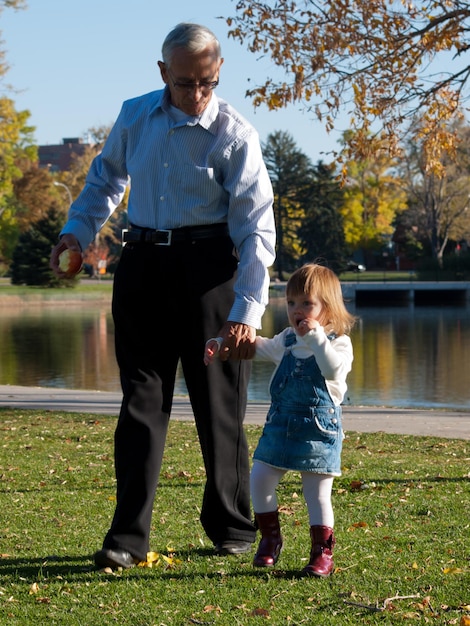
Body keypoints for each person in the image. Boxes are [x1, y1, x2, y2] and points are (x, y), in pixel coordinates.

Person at [50, 22, 276, 569]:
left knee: (219, 405)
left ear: (217, 74)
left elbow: (256, 229)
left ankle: (232, 526)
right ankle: (127, 538)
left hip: (211, 273)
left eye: (206, 82)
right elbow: (103, 181)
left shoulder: (235, 134)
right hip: (143, 266)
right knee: (140, 406)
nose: (196, 95)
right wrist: (77, 235)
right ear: (162, 73)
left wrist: (247, 309)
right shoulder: (134, 115)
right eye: (184, 83)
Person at [205, 263, 355, 577]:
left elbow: (332, 370)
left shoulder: (338, 342)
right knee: (259, 479)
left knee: (316, 494)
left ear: (327, 307)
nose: (296, 310)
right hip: (280, 429)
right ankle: (270, 538)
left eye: (306, 303)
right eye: (291, 303)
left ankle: (321, 552)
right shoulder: (287, 340)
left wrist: (316, 339)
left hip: (318, 434)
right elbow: (259, 347)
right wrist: (224, 346)